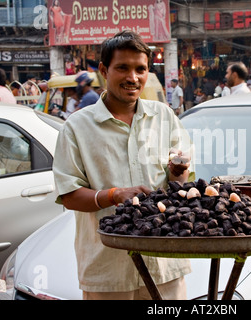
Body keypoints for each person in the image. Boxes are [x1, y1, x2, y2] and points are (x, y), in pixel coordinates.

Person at [52, 30, 194, 300]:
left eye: (140, 69)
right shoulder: (77, 127)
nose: (133, 78)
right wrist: (114, 195)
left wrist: (179, 172)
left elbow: (181, 186)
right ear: (104, 70)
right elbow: (69, 196)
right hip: (108, 271)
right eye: (123, 68)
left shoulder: (164, 116)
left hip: (165, 266)